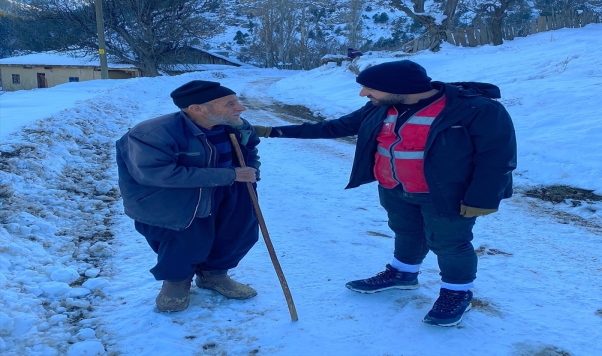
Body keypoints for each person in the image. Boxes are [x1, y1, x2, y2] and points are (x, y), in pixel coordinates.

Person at [253, 60, 517, 327]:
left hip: (446, 193)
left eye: (369, 88)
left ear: (398, 87)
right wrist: (271, 131)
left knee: (450, 244)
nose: (364, 93)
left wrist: (482, 198)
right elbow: (335, 127)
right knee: (406, 232)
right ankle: (403, 274)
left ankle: (456, 293)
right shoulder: (381, 107)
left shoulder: (474, 109)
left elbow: (497, 157)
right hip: (393, 187)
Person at [115, 80, 262, 312]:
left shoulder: (235, 125)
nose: (240, 108)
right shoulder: (150, 134)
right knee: (183, 241)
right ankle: (176, 282)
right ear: (197, 109)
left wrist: (251, 173)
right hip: (174, 199)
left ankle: (214, 275)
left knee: (236, 234)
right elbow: (157, 174)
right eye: (230, 103)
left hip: (231, 189)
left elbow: (250, 150)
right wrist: (229, 175)